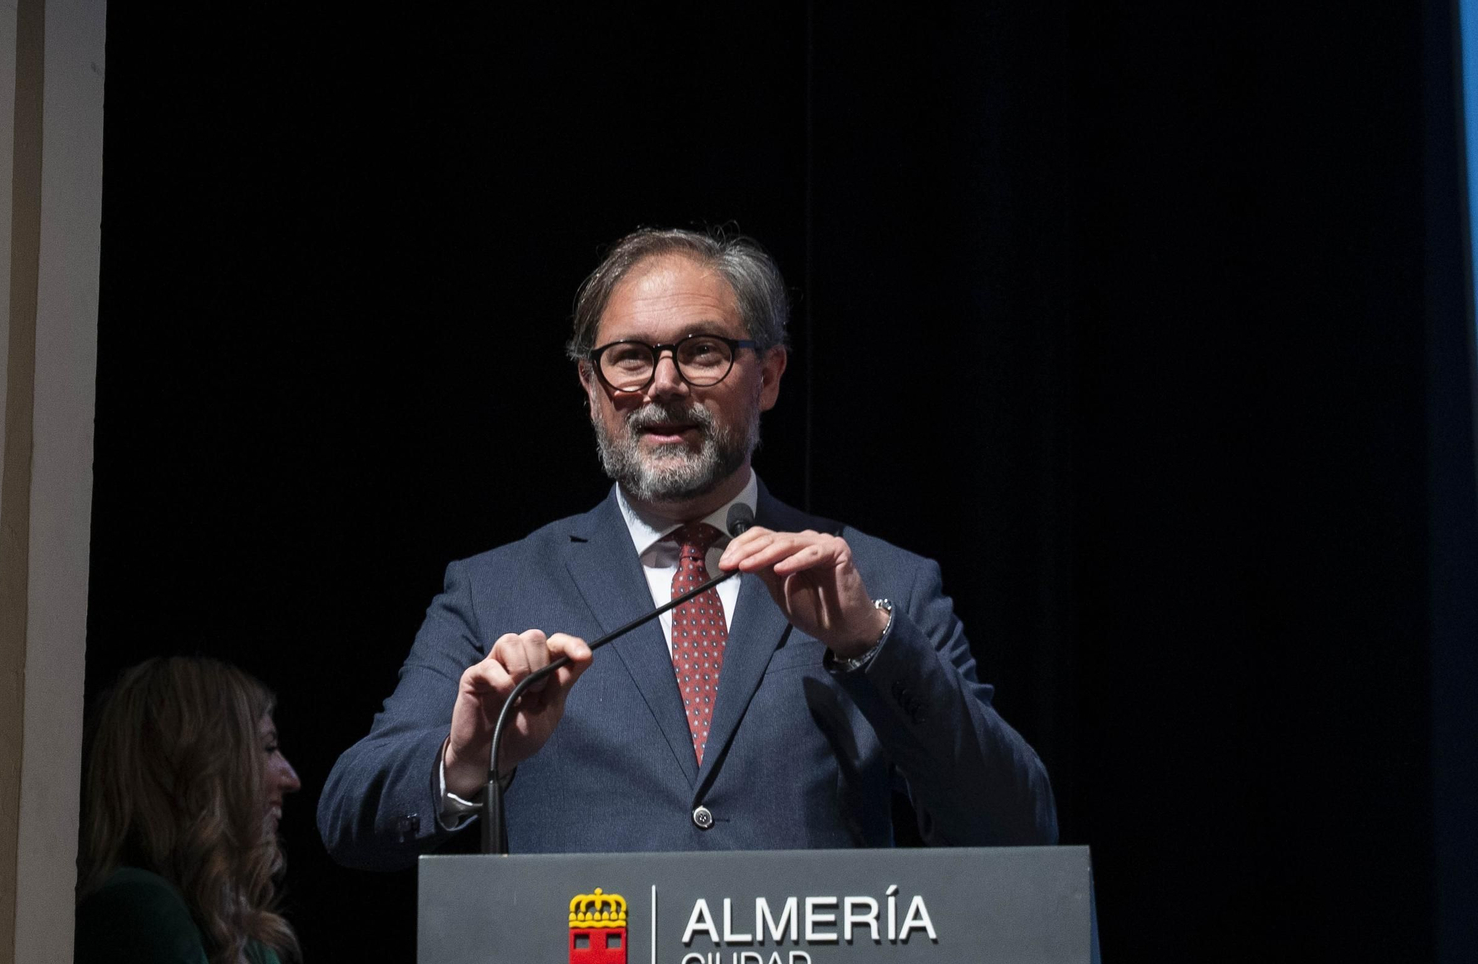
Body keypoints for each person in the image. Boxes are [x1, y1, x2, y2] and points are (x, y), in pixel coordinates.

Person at [318, 227, 1057, 867]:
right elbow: (352, 810)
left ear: (767, 376)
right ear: (589, 384)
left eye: (701, 352)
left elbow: (1016, 828)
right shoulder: (496, 590)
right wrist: (467, 762)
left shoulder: (880, 582)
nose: (664, 385)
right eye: (630, 357)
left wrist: (872, 645)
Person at [71, 657, 324, 964]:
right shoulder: (138, 905)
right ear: (201, 767)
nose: (290, 777)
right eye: (267, 747)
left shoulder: (251, 946)